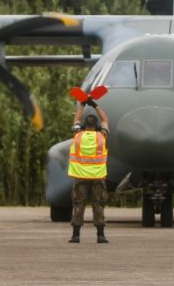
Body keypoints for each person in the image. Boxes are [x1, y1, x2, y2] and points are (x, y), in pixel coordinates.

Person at [67, 98, 110, 243]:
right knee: (98, 205)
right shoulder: (101, 136)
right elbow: (105, 119)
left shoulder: (78, 135)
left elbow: (76, 118)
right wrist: (95, 105)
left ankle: (76, 235)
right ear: (96, 125)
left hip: (81, 177)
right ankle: (100, 235)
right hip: (98, 177)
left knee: (79, 204)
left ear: (84, 125)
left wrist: (82, 104)